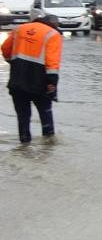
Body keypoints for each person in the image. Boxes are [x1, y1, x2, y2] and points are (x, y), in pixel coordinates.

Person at [2, 11, 62, 143]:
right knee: (45, 115)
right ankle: (48, 146)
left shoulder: (20, 28)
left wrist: (13, 62)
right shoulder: (53, 34)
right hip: (40, 82)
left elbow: (5, 48)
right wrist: (52, 82)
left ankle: (24, 145)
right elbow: (52, 62)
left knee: (23, 117)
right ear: (55, 25)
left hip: (17, 81)